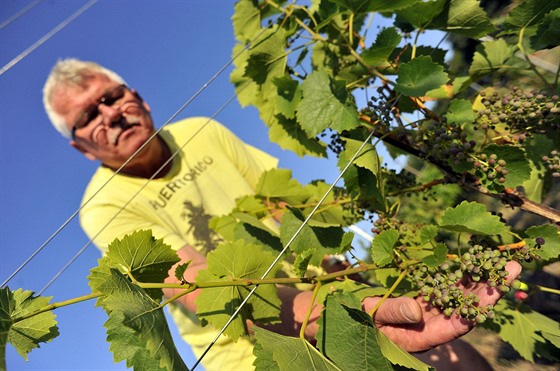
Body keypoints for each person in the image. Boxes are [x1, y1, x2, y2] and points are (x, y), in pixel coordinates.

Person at [43, 59, 521, 370]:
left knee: (468, 366)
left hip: (327, 291)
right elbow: (201, 287)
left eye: (112, 96)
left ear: (138, 98)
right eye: (87, 116)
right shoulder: (102, 207)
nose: (109, 114)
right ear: (81, 147)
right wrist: (345, 319)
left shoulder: (201, 131)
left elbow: (289, 204)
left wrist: (353, 267)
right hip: (249, 350)